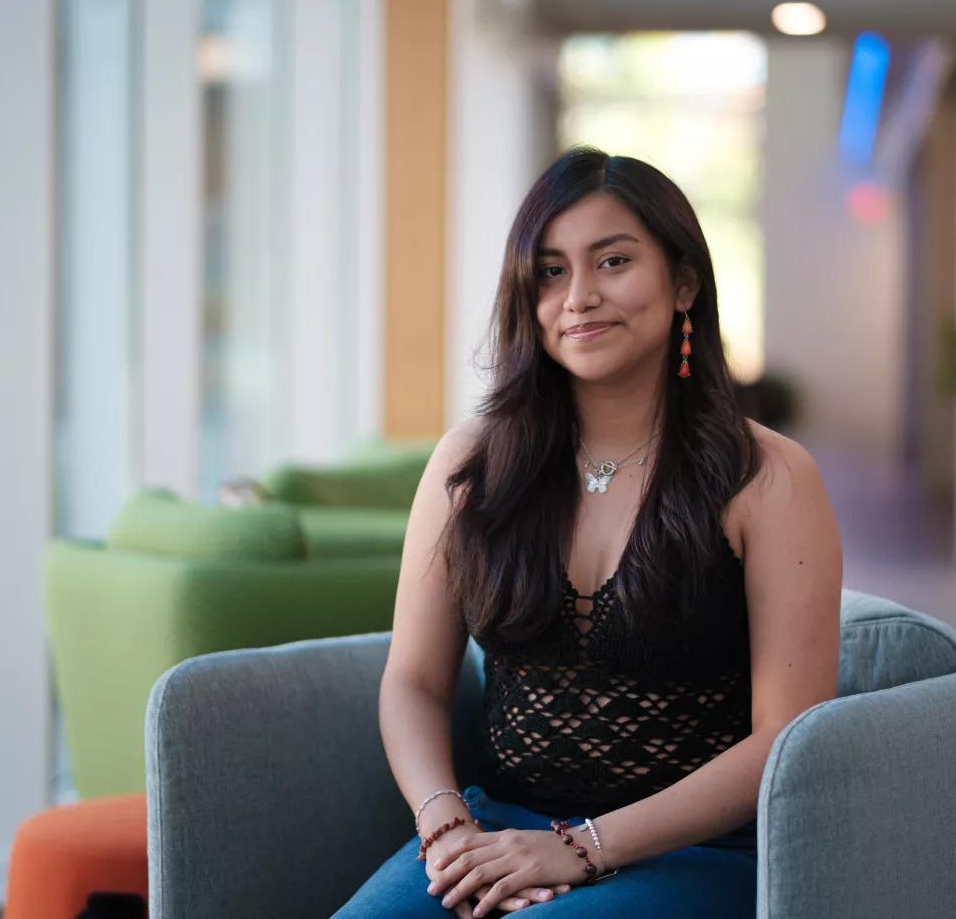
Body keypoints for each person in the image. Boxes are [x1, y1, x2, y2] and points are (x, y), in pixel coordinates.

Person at [334, 147, 842, 917]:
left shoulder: (767, 476)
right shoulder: (471, 463)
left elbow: (789, 734)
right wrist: (444, 829)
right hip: (495, 831)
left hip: (695, 853)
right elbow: (413, 683)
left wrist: (579, 848)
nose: (579, 297)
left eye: (612, 261)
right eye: (549, 271)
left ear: (683, 282)